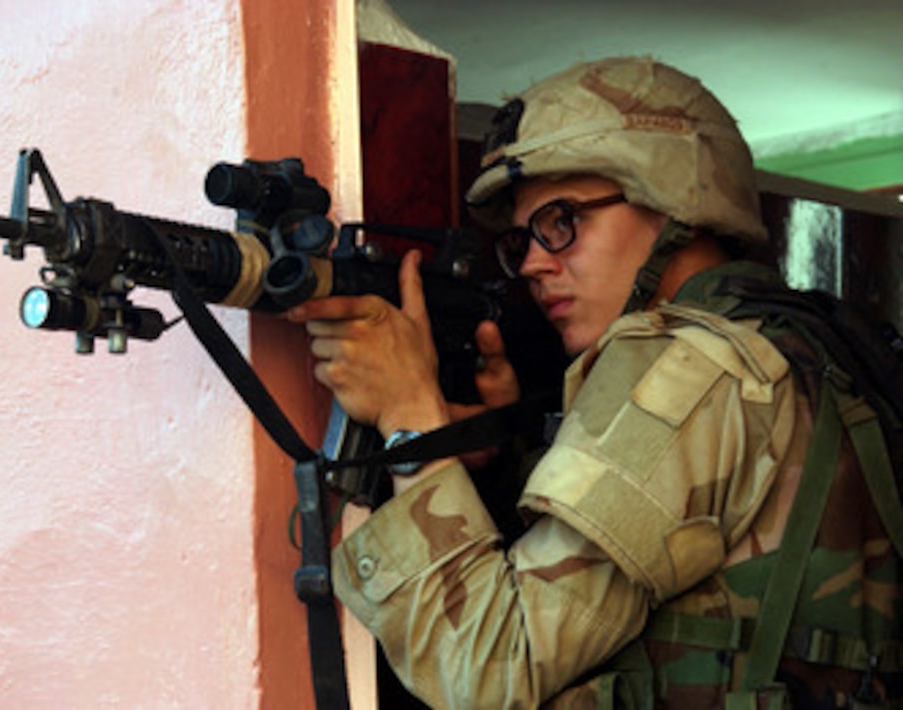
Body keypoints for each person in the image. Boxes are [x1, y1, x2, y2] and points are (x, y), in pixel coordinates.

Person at [287, 56, 902, 707]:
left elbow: (487, 668)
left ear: (673, 201)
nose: (531, 262)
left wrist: (408, 416)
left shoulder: (683, 365)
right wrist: (500, 457)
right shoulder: (802, 345)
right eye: (522, 239)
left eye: (562, 221)